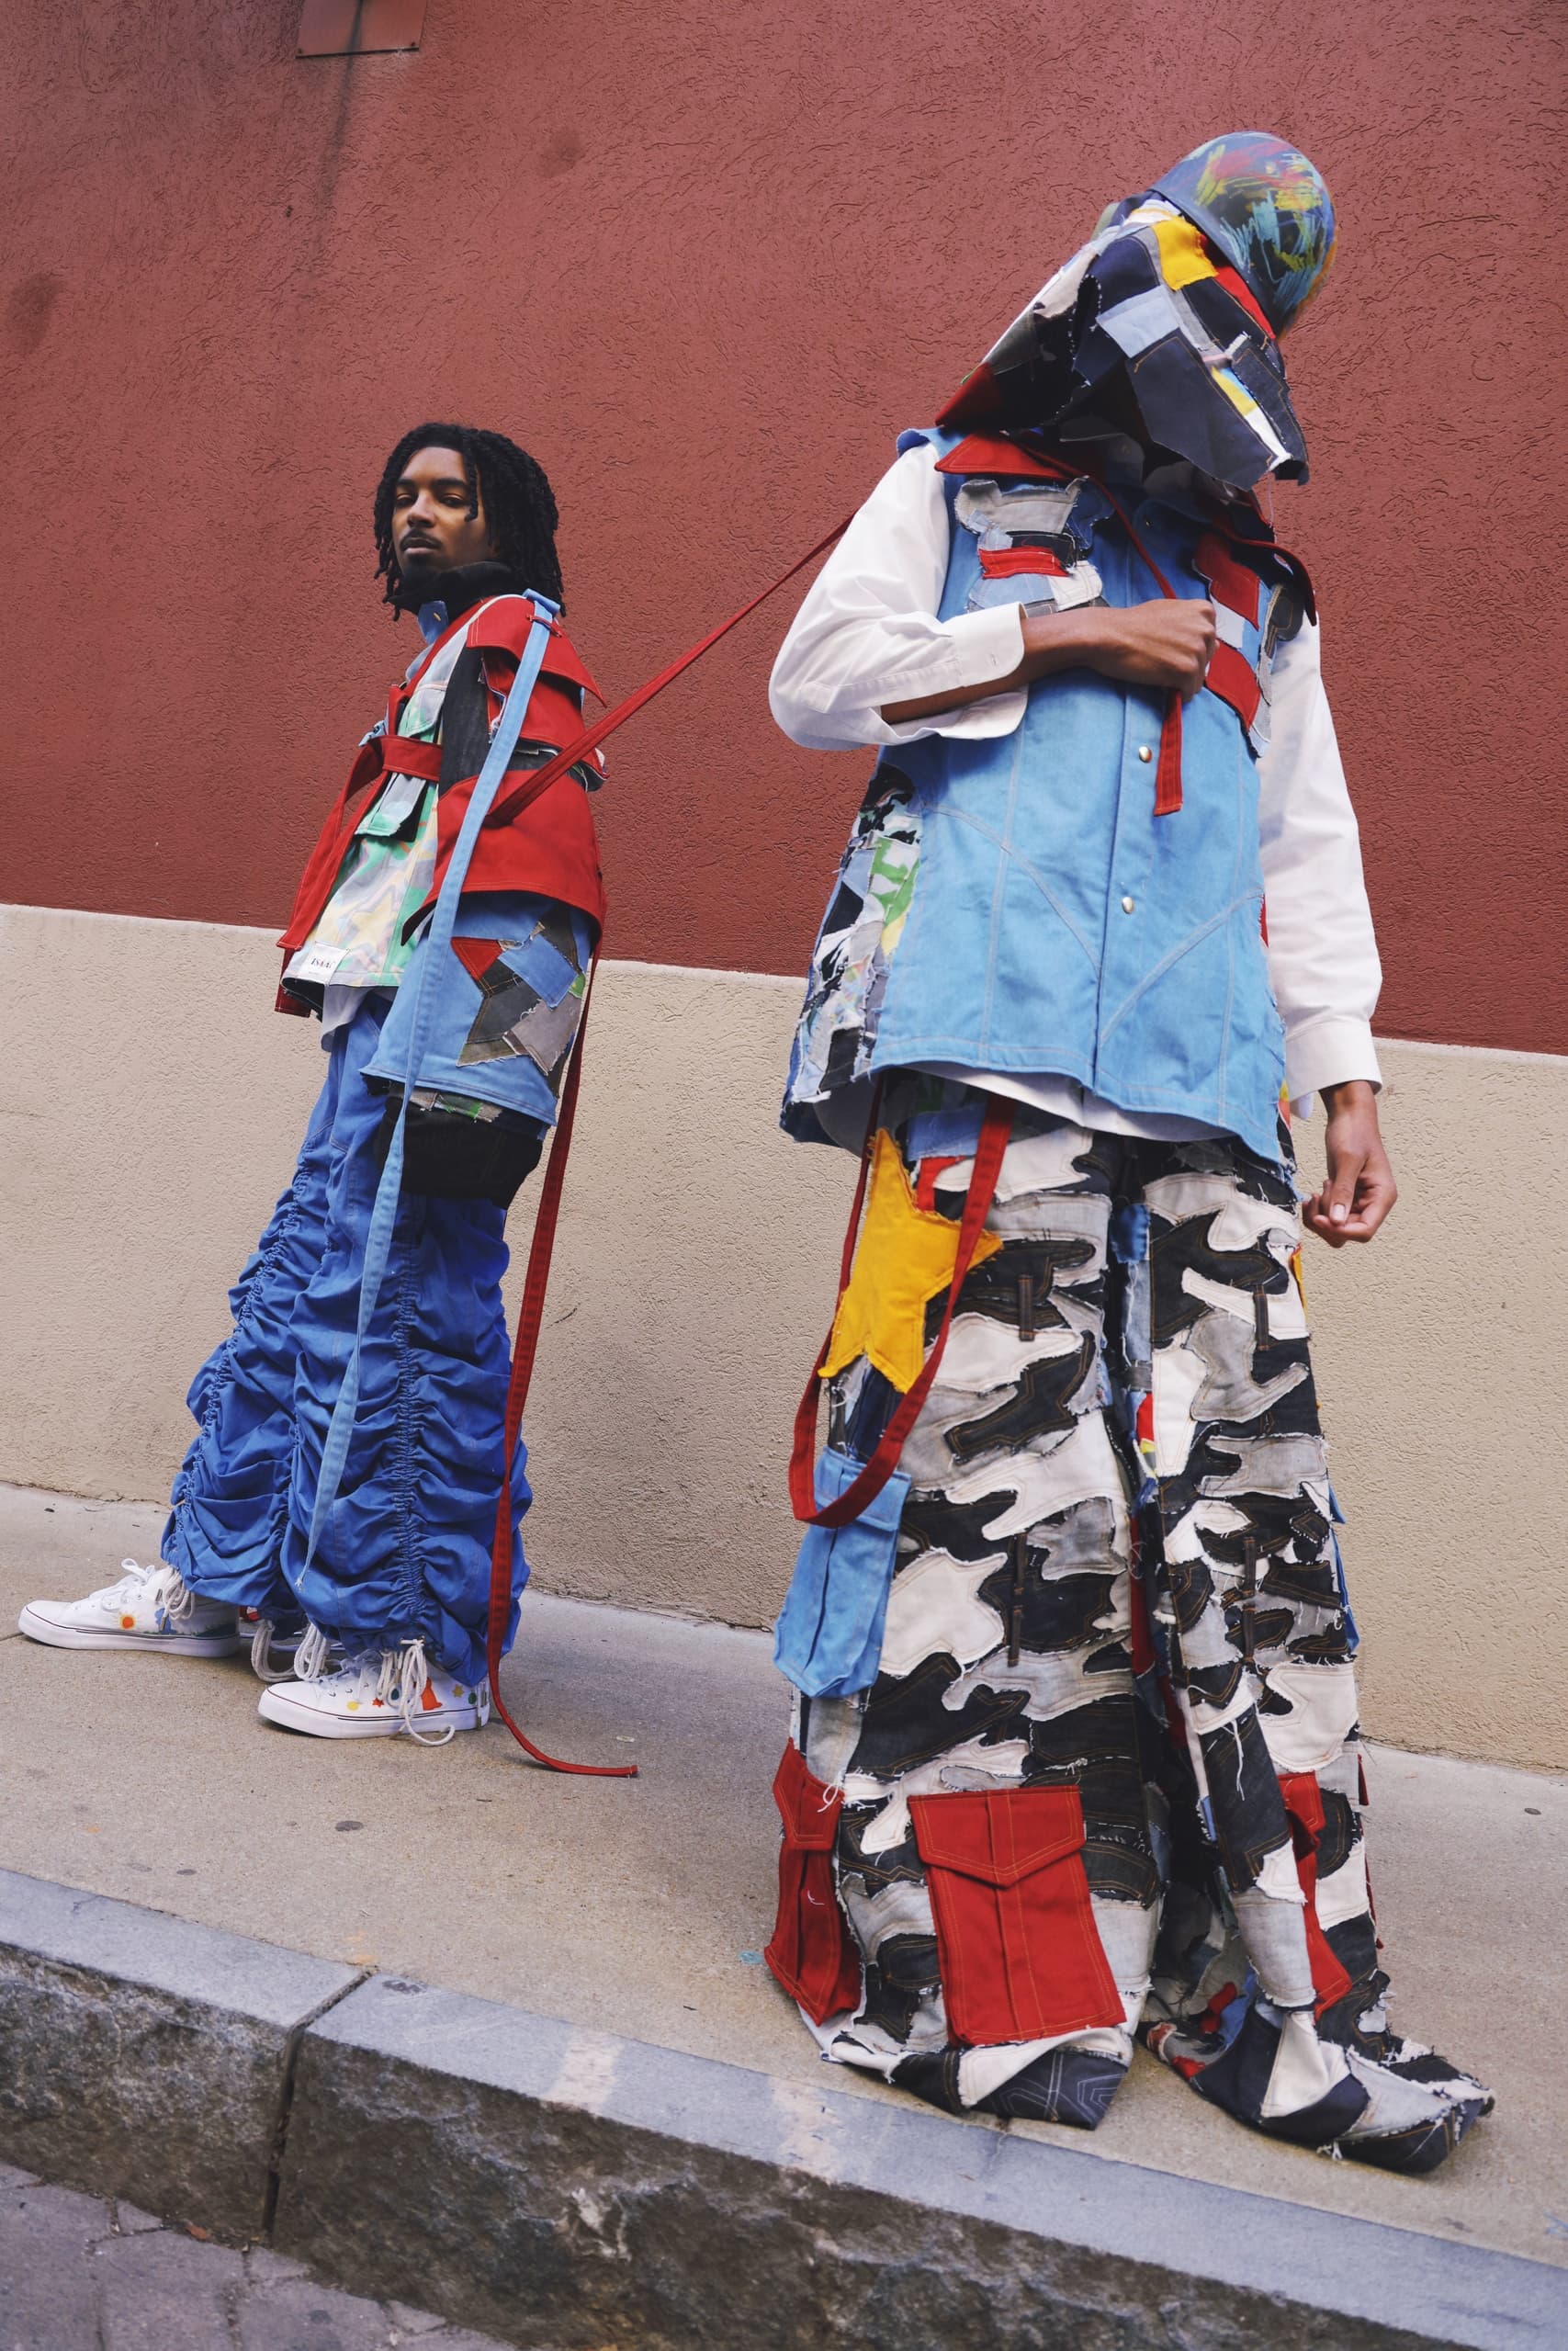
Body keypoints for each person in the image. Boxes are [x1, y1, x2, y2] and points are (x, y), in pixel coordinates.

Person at [762, 136, 1491, 2173]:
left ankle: (1245, 1970)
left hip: (1203, 1103)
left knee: (1239, 1548)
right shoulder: (952, 493)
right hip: (978, 1090)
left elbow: (1300, 845)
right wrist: (1056, 638)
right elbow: (813, 682)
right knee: (990, 1543)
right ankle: (988, 1978)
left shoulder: (1261, 583)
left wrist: (1341, 1068)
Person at [19, 424, 606, 1743]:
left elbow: (551, 889)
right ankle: (229, 1585)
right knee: (303, 1304)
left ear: (506, 520)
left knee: (407, 1320)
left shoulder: (517, 651)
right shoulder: (449, 655)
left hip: (430, 1055)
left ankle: (419, 1655)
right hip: (371, 1027)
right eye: (404, 496)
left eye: (452, 497)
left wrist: (487, 1089)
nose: (419, 515)